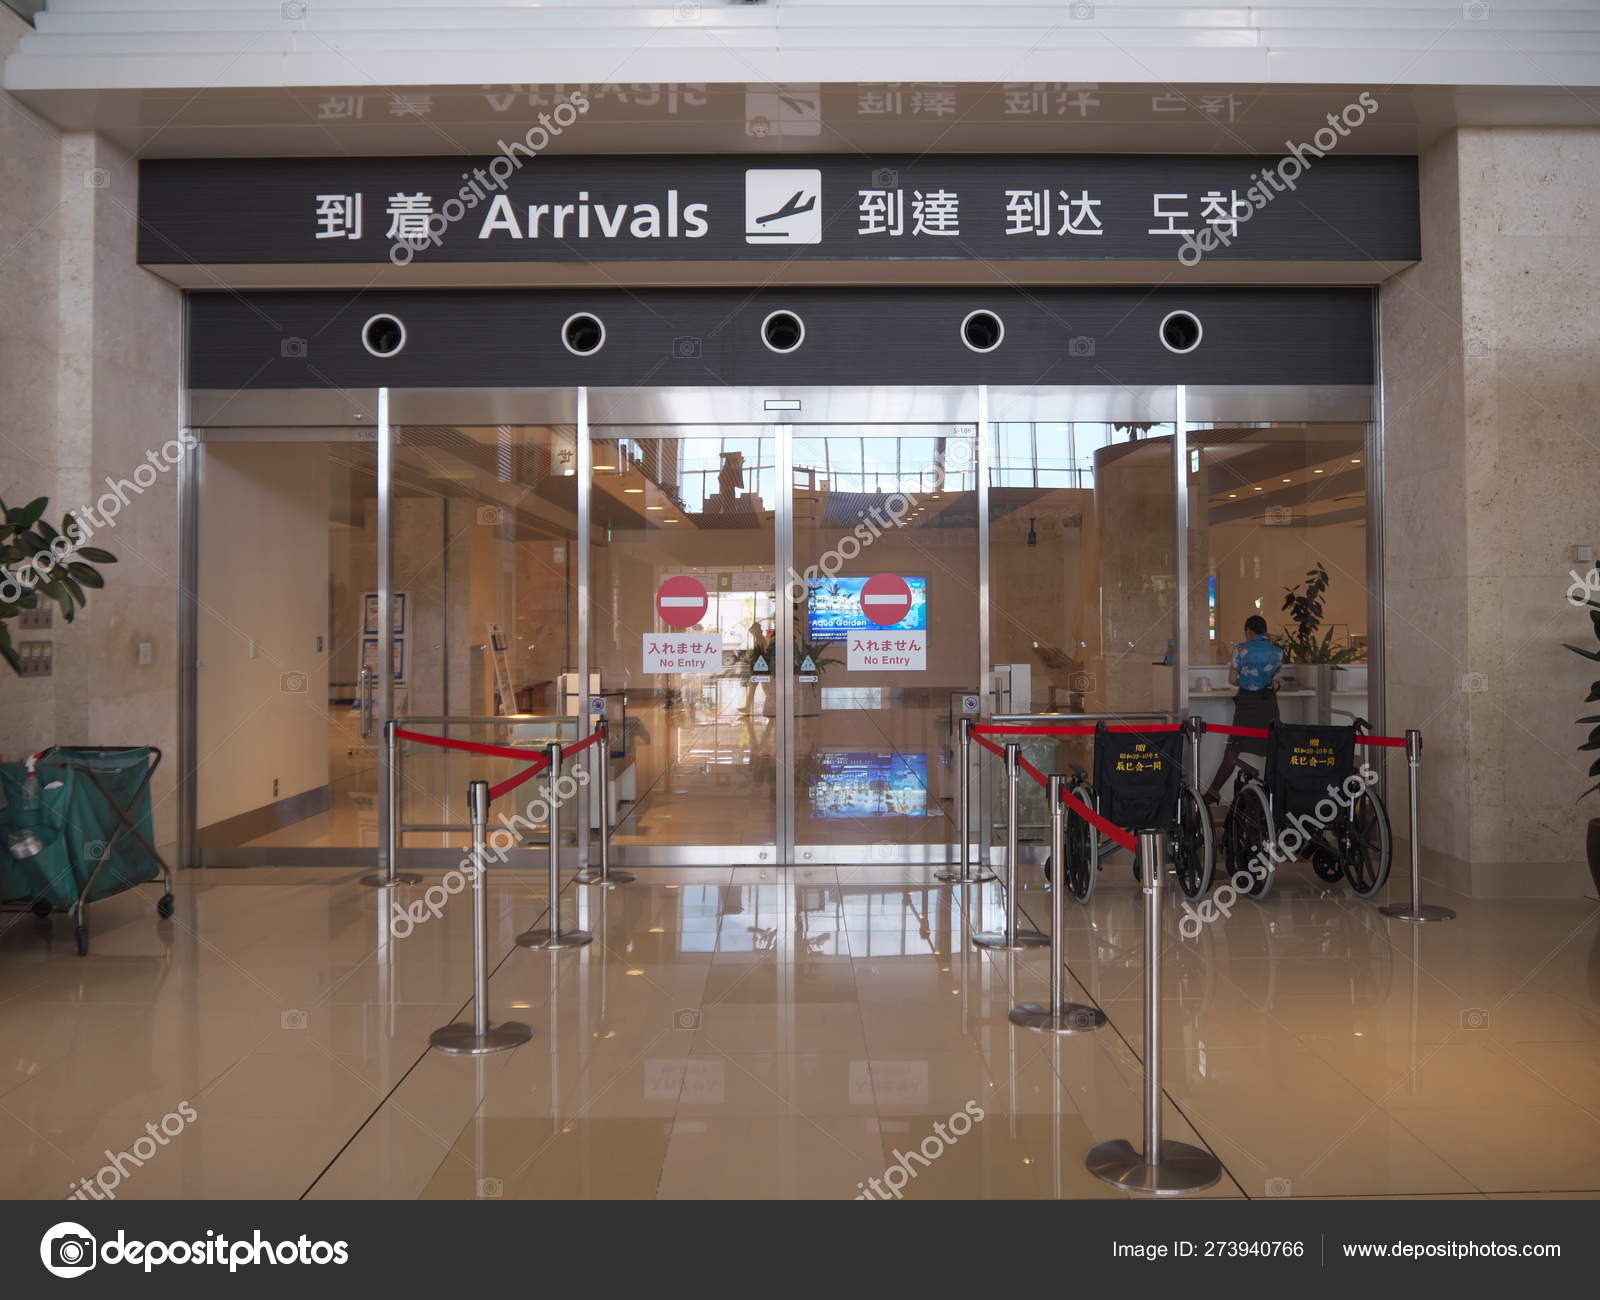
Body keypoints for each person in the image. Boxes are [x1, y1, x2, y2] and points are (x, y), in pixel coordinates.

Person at [1203, 615, 1283, 808]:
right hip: (1268, 702)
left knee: (1233, 748)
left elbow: (1232, 679)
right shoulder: (1277, 651)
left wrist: (1246, 680)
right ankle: (1276, 798)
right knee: (1274, 748)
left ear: (1248, 630)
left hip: (1247, 703)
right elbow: (1275, 677)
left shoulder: (1241, 649)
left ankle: (1213, 792)